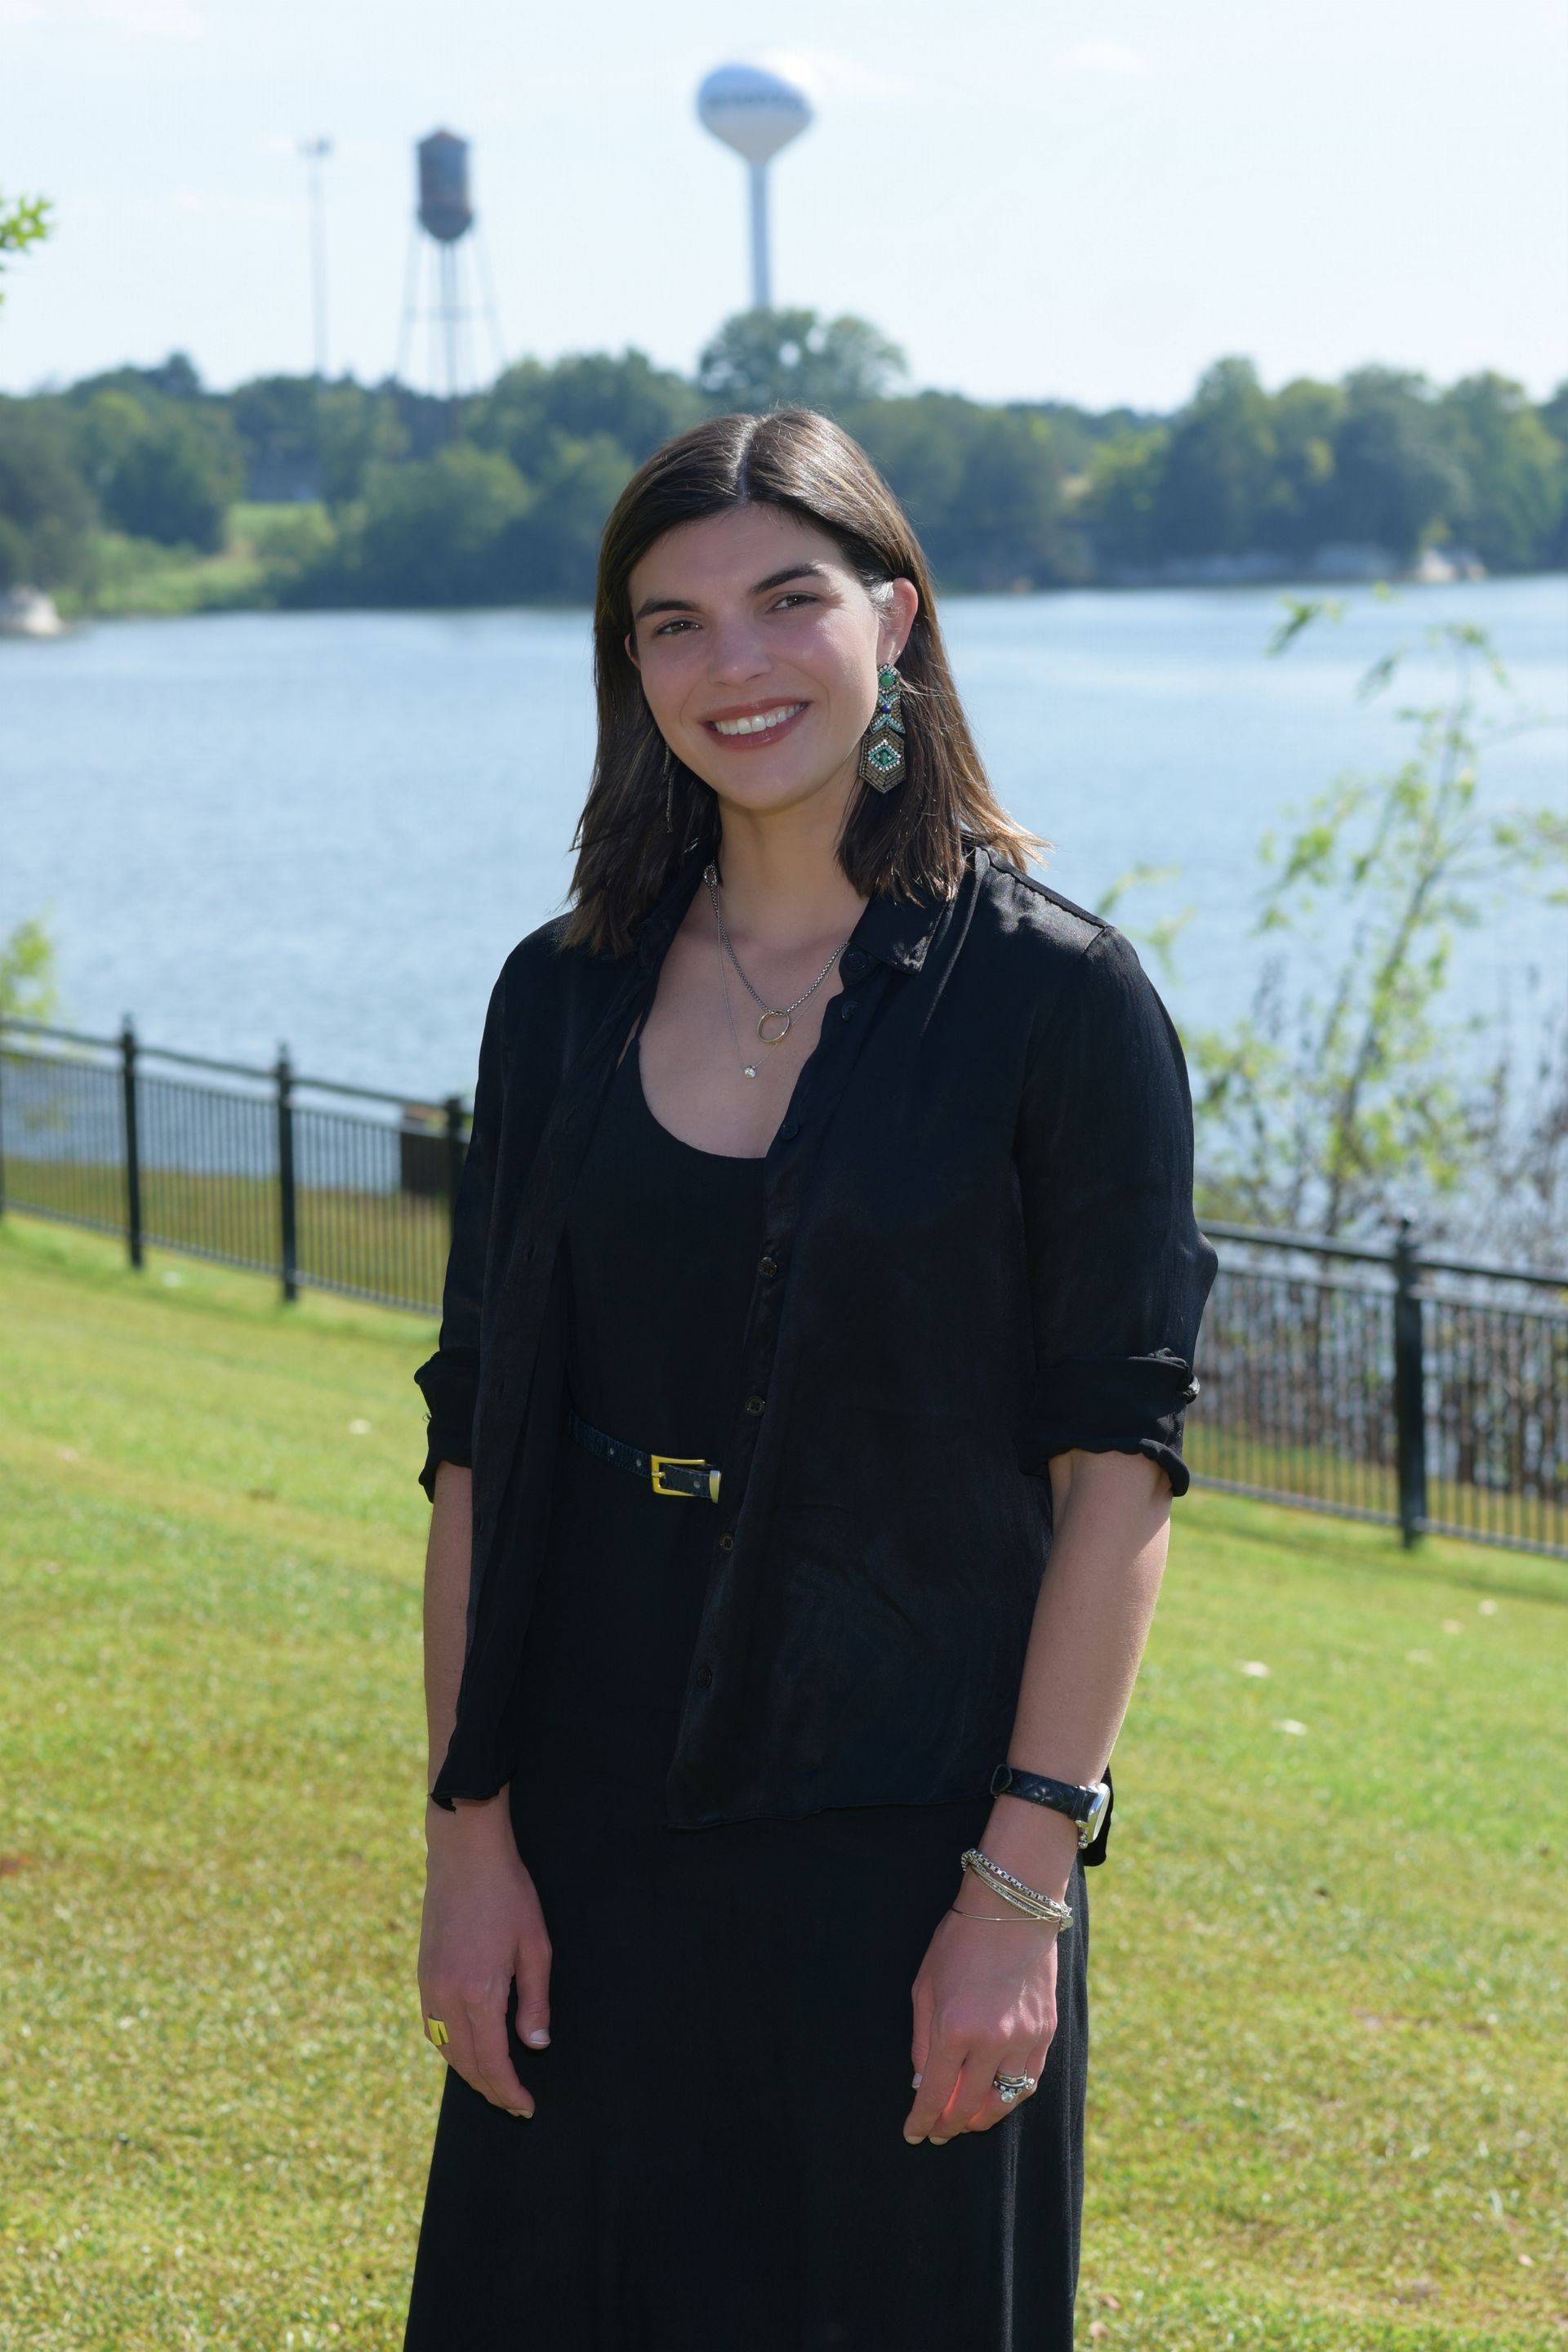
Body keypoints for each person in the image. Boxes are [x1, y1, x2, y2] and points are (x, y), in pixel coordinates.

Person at [401, 406, 1218, 2351]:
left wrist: (1019, 1884)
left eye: (787, 601)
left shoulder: (1057, 1000)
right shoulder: (565, 991)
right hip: (584, 1801)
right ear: (630, 670)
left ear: (897, 624)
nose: (732, 663)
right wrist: (468, 1835)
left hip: (912, 1803)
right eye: (670, 623)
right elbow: (476, 1449)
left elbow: (1118, 1470)